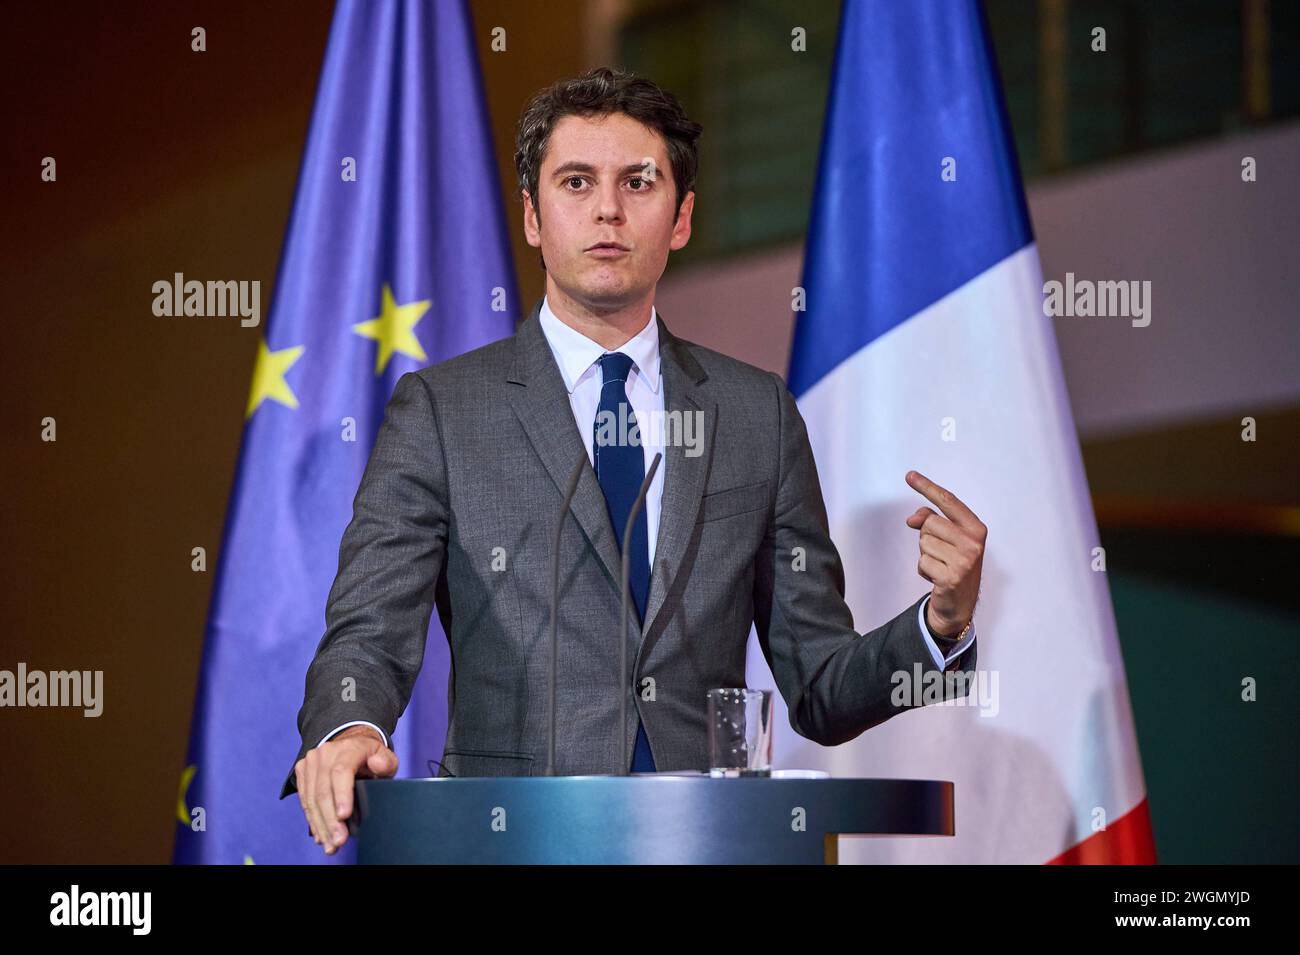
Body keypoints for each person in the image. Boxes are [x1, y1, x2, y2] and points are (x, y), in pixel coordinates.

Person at [285, 67, 986, 855]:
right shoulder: (444, 411)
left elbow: (820, 685)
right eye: (576, 182)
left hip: (708, 844)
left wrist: (941, 624)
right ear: (532, 217)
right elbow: (370, 628)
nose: (608, 209)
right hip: (508, 843)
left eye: (638, 182)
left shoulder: (755, 414)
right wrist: (349, 727)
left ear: (681, 217)